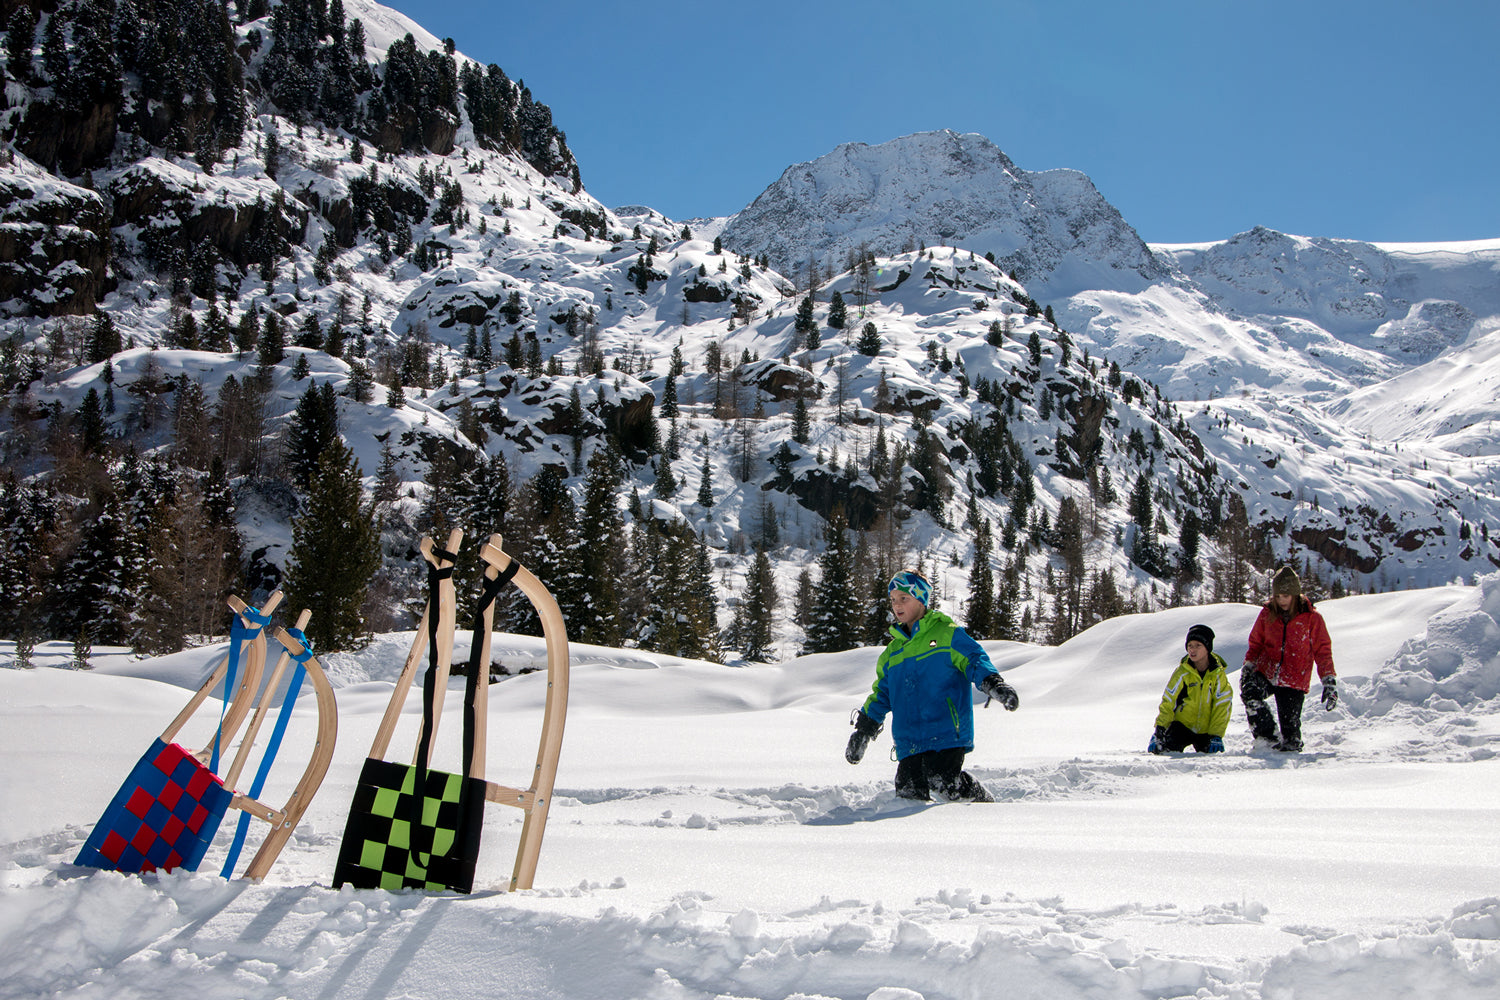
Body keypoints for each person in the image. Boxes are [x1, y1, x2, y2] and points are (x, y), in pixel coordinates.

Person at [844, 570, 1019, 801]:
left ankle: (981, 801)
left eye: (904, 598)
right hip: (909, 740)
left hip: (946, 732)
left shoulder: (947, 635)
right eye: (893, 599)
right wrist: (863, 731)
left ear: (921, 600)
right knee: (908, 795)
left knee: (944, 782)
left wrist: (994, 684)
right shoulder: (892, 653)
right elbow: (882, 694)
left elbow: (974, 660)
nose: (897, 605)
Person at [1240, 566, 1338, 752]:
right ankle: (1267, 738)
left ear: (1295, 594)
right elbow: (1256, 643)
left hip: (1294, 679)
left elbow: (1323, 651)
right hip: (1267, 671)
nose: (1281, 600)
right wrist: (1248, 666)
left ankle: (1289, 748)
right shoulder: (1267, 613)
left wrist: (1329, 681)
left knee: (1290, 739)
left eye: (1285, 596)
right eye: (1277, 596)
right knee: (1250, 693)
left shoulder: (1312, 618)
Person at [1148, 624, 1232, 753]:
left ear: (1207, 648)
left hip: (1206, 731)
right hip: (1181, 726)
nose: (1193, 650)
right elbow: (1169, 700)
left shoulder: (1217, 675)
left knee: (1210, 759)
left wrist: (1216, 735)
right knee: (1163, 752)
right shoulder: (1182, 672)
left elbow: (1222, 704)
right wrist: (1160, 730)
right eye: (1190, 645)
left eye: (1198, 645)